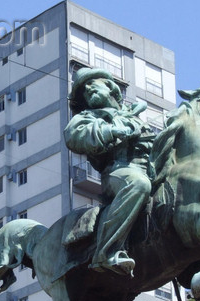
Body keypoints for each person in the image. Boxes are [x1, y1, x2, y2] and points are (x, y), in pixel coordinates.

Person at [64, 68, 154, 274]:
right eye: (83, 91)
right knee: (138, 185)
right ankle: (107, 252)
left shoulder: (133, 115)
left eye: (92, 84)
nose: (87, 90)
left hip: (151, 166)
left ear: (110, 86)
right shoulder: (88, 117)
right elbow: (75, 135)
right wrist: (110, 130)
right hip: (120, 170)